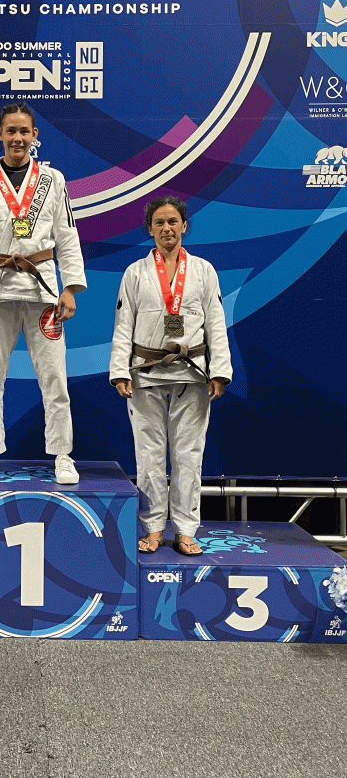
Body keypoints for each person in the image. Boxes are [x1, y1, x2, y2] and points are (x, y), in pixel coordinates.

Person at [0, 103, 86, 483]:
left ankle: (63, 455)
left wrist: (70, 288)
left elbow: (67, 235)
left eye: (24, 131)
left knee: (54, 377)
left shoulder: (53, 180)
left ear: (34, 135)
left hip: (42, 290)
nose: (17, 138)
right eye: (10, 131)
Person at [109, 196, 232, 554]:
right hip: (145, 372)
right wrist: (120, 370)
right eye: (159, 222)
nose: (167, 228)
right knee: (148, 456)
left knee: (189, 455)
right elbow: (123, 325)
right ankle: (152, 527)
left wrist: (219, 371)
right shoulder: (135, 273)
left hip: (192, 373)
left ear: (184, 226)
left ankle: (185, 529)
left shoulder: (204, 271)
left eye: (173, 221)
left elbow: (216, 324)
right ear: (150, 229)